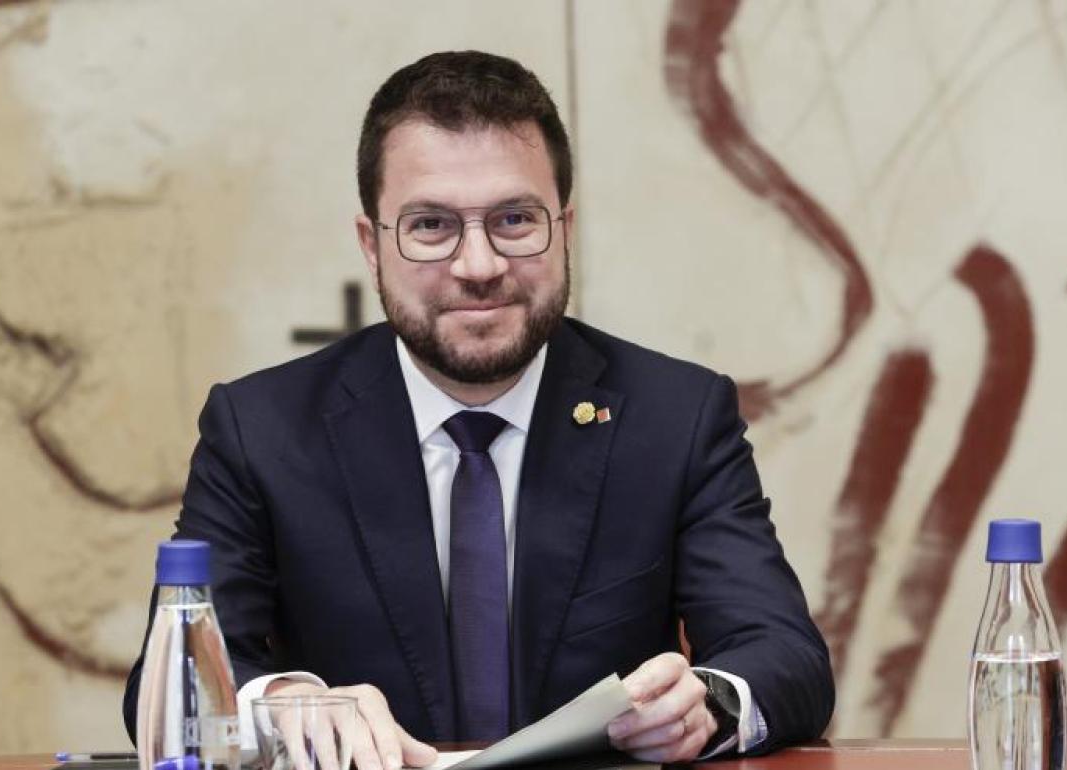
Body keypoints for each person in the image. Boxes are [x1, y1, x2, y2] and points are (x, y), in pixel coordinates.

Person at [123, 50, 833, 767]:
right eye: (431, 225)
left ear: (564, 227)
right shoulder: (261, 431)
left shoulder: (674, 417)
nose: (479, 265)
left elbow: (783, 656)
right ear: (372, 245)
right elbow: (169, 688)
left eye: (515, 219)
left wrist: (705, 703)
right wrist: (286, 707)